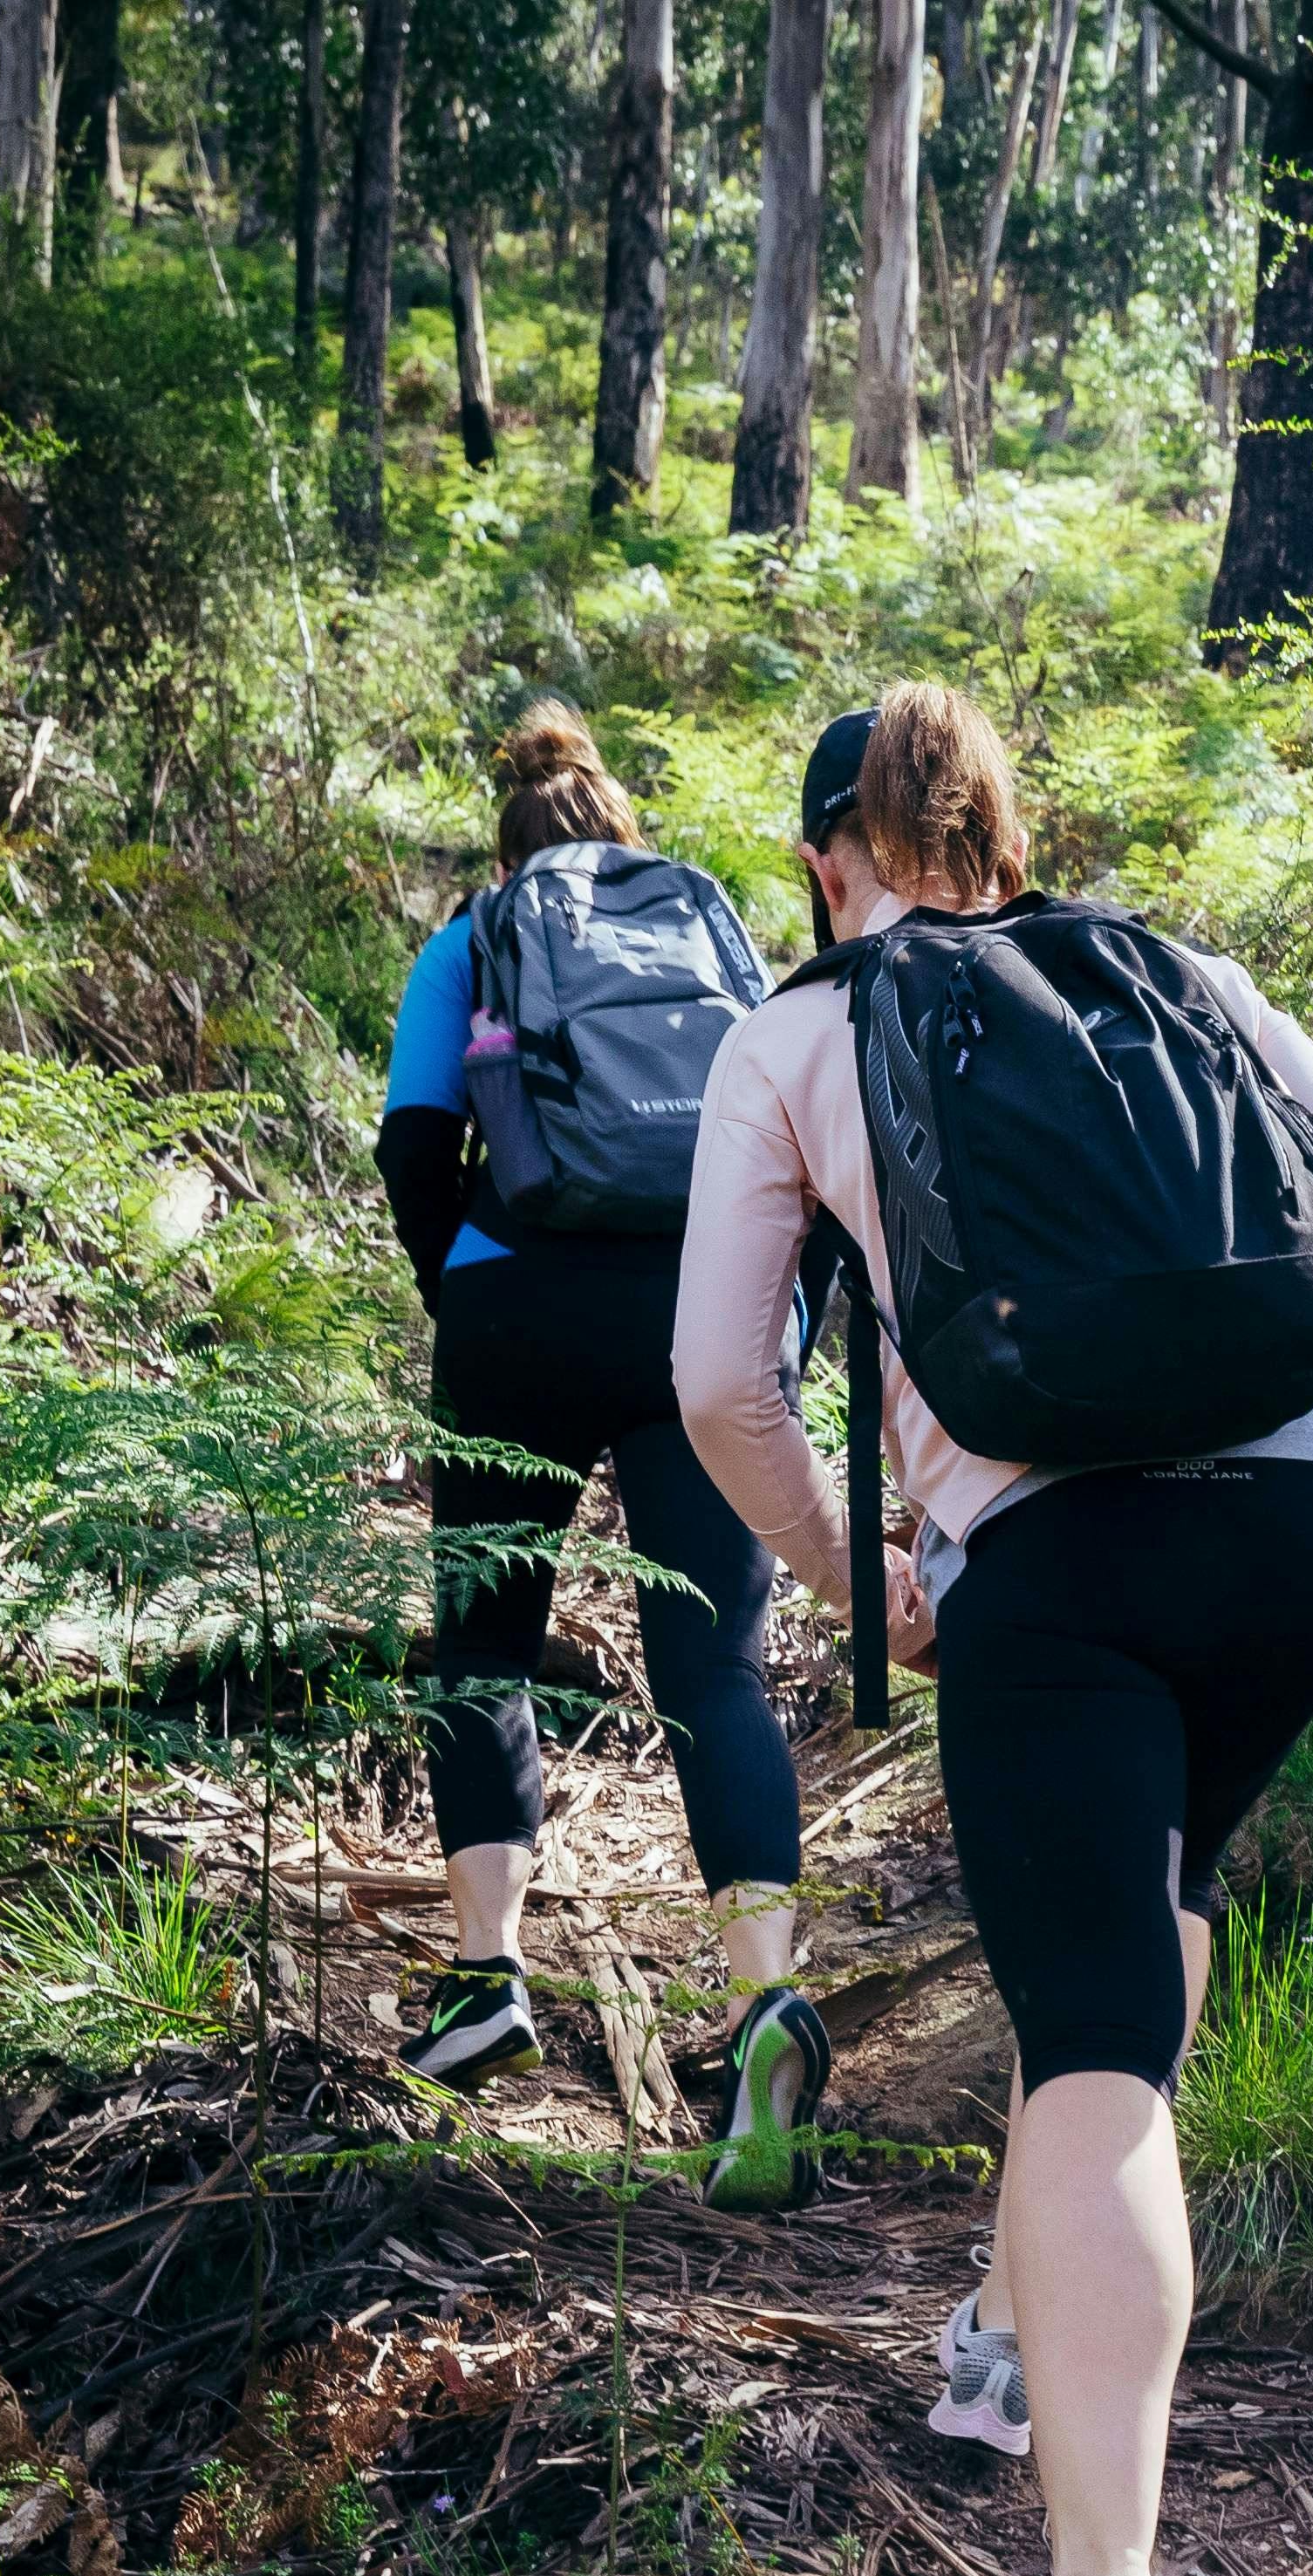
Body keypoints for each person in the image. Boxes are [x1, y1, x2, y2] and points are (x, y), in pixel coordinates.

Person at [674, 686, 1313, 2576]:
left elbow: (722, 1386)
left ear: (832, 857)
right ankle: (1011, 2323)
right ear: (1003, 836)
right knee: (1155, 1873)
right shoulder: (1181, 974)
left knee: (1091, 2037)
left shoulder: (802, 1026)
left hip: (1054, 1560)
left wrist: (859, 1576)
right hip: (1298, 1533)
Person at [373, 702, 826, 2211]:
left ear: (507, 840)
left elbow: (413, 1148)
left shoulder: (474, 941)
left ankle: (485, 1980)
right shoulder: (704, 927)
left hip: (517, 1301)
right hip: (698, 1306)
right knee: (715, 1665)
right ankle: (767, 1993)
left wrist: (475, 1293)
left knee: (485, 1645)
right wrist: (777, 1331)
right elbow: (794, 1140)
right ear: (622, 832)